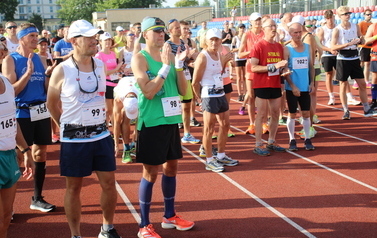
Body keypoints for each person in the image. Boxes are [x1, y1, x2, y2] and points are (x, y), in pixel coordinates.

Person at [47, 19, 122, 238]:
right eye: (88, 37)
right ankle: (76, 234)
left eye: (94, 36)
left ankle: (107, 228)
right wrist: (66, 126)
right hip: (74, 139)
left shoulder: (100, 65)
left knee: (109, 183)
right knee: (74, 188)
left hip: (100, 134)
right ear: (73, 41)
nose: (94, 40)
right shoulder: (62, 70)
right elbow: (51, 104)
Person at [131, 16, 194, 238]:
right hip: (151, 121)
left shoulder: (170, 56)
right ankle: (144, 225)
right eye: (156, 31)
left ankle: (169, 216)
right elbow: (148, 91)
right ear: (145, 34)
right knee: (150, 172)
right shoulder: (140, 58)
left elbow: (184, 91)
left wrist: (177, 66)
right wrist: (166, 67)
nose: (161, 34)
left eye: (162, 30)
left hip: (170, 120)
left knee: (172, 168)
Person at [2, 22, 56, 212]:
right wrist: (28, 74)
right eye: (32, 36)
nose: (36, 39)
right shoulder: (11, 59)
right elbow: (11, 92)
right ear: (22, 38)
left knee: (40, 154)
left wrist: (49, 77)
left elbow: (45, 90)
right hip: (21, 113)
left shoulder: (41, 59)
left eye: (36, 35)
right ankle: (9, 206)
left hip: (40, 112)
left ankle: (37, 198)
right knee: (18, 157)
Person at [192, 28, 239, 172]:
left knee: (225, 124)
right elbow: (195, 82)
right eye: (211, 39)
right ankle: (209, 160)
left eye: (217, 39)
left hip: (220, 93)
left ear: (220, 41)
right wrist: (200, 100)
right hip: (208, 95)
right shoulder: (202, 56)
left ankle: (221, 154)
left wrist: (225, 63)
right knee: (209, 128)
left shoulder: (219, 54)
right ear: (206, 40)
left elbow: (218, 72)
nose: (214, 42)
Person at [0, 41, 33, 238]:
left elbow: (12, 121)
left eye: (2, 50)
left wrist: (25, 150)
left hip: (9, 156)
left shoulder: (7, 84)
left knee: (5, 217)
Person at [250, 18, 289, 156]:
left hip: (275, 83)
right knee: (261, 115)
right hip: (261, 84)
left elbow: (281, 66)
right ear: (263, 29)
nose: (273, 28)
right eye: (270, 26)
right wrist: (273, 66)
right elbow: (253, 67)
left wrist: (283, 70)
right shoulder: (258, 46)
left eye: (275, 25)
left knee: (275, 114)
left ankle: (271, 141)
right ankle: (258, 143)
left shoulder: (279, 46)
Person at [331, 6, 376, 119]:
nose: (348, 15)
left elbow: (363, 38)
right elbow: (333, 46)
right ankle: (346, 110)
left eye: (349, 13)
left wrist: (361, 39)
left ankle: (366, 108)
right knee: (343, 85)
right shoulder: (337, 29)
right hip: (343, 58)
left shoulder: (355, 26)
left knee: (362, 84)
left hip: (355, 57)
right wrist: (347, 44)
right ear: (339, 16)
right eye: (345, 14)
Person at [167, 19, 200, 144]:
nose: (180, 30)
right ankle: (173, 135)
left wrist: (192, 58)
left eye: (179, 27)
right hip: (173, 79)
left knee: (187, 107)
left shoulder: (184, 43)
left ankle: (187, 134)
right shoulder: (167, 45)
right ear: (170, 31)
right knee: (173, 109)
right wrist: (186, 56)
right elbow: (170, 61)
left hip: (185, 77)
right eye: (177, 28)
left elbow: (188, 59)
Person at [284, 22, 315, 151]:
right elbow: (284, 70)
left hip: (305, 86)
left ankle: (307, 138)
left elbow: (311, 66)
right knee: (292, 114)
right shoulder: (287, 49)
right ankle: (292, 139)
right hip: (292, 88)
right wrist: (292, 85)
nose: (297, 35)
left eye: (299, 32)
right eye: (295, 33)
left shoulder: (308, 47)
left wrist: (312, 82)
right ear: (290, 34)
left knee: (306, 113)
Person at [238, 12, 266, 134]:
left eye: (259, 20)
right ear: (251, 22)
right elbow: (240, 54)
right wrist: (252, 52)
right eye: (255, 20)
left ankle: (264, 122)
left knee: (265, 96)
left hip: (263, 67)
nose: (258, 22)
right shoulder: (247, 35)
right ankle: (252, 123)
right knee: (251, 95)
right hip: (250, 67)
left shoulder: (265, 33)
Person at [95, 32, 123, 126]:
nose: (108, 42)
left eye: (109, 40)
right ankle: (111, 130)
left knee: (116, 109)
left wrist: (121, 69)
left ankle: (114, 130)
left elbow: (115, 69)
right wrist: (116, 69)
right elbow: (103, 73)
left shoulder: (113, 54)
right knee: (109, 110)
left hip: (116, 83)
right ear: (100, 42)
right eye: (105, 40)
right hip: (106, 84)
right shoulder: (99, 56)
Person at [113, 76, 139, 163]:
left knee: (140, 119)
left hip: (136, 87)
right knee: (124, 120)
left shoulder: (142, 95)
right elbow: (116, 123)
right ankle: (126, 148)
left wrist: (136, 138)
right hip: (124, 86)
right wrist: (116, 144)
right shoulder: (118, 98)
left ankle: (135, 143)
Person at [356, 9, 373, 90]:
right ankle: (357, 80)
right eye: (367, 14)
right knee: (361, 63)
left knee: (367, 64)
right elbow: (358, 34)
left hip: (370, 46)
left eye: (370, 14)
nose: (369, 16)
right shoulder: (361, 23)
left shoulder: (372, 24)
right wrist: (365, 37)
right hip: (363, 46)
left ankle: (366, 80)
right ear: (364, 15)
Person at [364, 14, 377, 109]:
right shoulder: (373, 26)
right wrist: (376, 37)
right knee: (375, 77)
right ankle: (374, 100)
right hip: (376, 56)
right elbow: (366, 40)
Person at [232, 23, 247, 103]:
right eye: (240, 28)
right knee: (238, 77)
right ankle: (239, 94)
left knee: (245, 77)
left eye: (243, 28)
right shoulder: (235, 38)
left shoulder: (246, 38)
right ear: (238, 29)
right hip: (238, 58)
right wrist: (240, 48)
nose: (242, 29)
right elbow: (232, 49)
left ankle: (244, 93)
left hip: (244, 58)